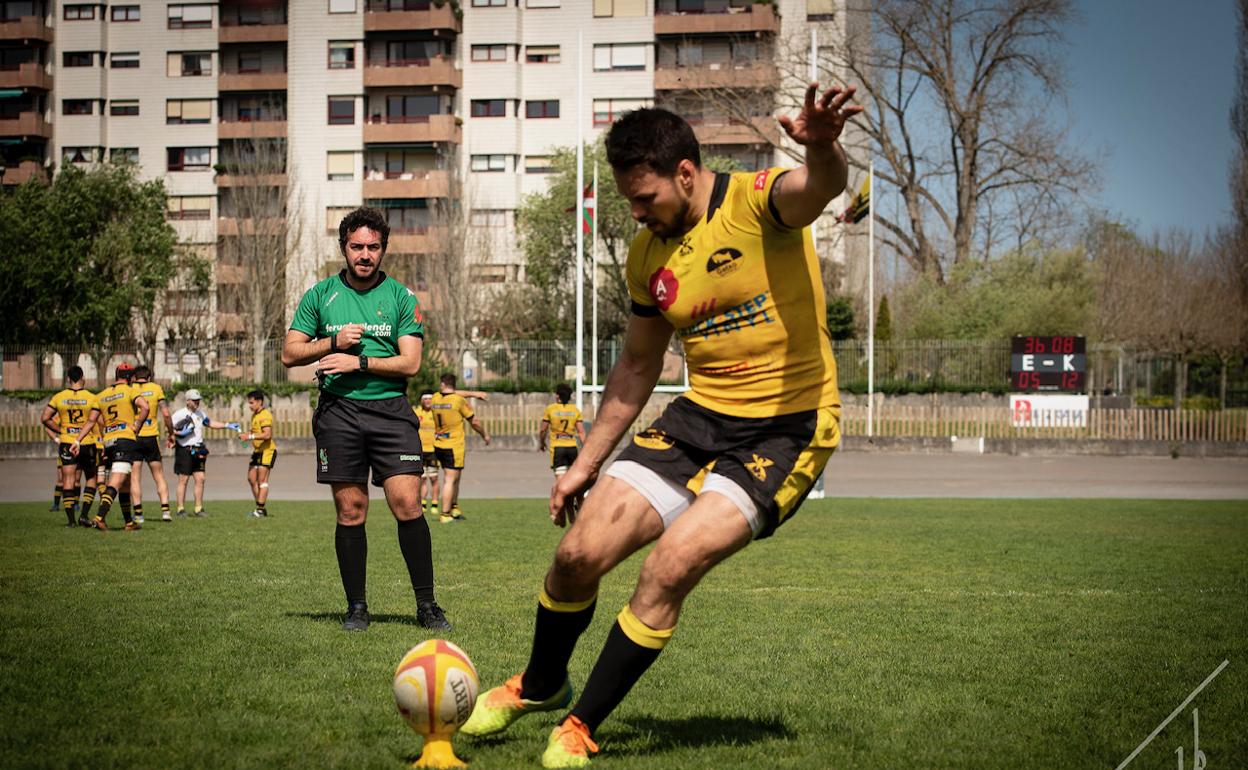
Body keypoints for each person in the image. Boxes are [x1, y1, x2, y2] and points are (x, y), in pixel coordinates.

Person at [461, 84, 861, 768]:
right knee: (576, 556)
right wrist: (583, 465)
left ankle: (581, 726)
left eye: (645, 198)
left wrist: (821, 145)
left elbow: (819, 186)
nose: (637, 213)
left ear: (685, 172)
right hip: (699, 415)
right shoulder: (649, 255)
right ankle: (539, 684)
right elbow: (638, 366)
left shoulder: (759, 202)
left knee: (670, 566)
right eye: (628, 201)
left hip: (786, 429)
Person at [281, 205, 450, 633]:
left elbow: (410, 364)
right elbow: (289, 353)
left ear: (384, 250)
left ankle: (427, 606)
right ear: (344, 248)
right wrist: (331, 342)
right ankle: (357, 607)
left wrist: (359, 363)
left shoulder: (400, 297)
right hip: (339, 413)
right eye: (357, 246)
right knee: (351, 509)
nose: (365, 254)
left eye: (373, 247)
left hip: (391, 412)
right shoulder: (320, 296)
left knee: (408, 503)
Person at [72, 364, 151, 531]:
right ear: (131, 378)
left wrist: (77, 441)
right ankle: (99, 517)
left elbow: (91, 421)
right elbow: (145, 407)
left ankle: (129, 522)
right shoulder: (130, 391)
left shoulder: (101, 395)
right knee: (116, 481)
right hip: (124, 439)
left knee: (126, 483)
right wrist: (137, 426)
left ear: (116, 376)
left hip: (108, 441)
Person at [40, 366, 98, 527]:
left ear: (68, 379)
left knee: (68, 480)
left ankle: (71, 521)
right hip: (86, 442)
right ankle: (84, 515)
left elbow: (45, 418)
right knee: (91, 478)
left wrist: (61, 430)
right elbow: (93, 420)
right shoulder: (92, 397)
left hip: (66, 442)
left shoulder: (59, 397)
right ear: (82, 377)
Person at [431, 373, 491, 523]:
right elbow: (475, 422)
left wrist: (474, 394)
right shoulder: (459, 401)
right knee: (450, 480)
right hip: (453, 446)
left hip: (438, 444)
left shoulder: (435, 398)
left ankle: (454, 508)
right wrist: (484, 435)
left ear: (442, 384)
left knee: (455, 478)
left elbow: (451, 393)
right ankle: (445, 514)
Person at [169, 389, 234, 517]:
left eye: (198, 400)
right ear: (187, 401)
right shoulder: (179, 414)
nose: (197, 402)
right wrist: (178, 434)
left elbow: (209, 423)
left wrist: (227, 425)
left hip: (198, 450)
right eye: (194, 400)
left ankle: (198, 509)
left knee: (200, 479)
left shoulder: (200, 414)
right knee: (183, 480)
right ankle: (180, 509)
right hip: (184, 450)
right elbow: (170, 429)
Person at [130, 365, 175, 522]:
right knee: (159, 475)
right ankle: (166, 511)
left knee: (135, 477)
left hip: (134, 437)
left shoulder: (130, 389)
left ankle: (138, 514)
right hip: (151, 438)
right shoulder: (156, 388)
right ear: (149, 377)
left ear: (134, 377)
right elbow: (166, 414)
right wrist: (171, 433)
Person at [241, 389, 277, 518]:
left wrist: (250, 436)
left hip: (267, 451)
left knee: (262, 481)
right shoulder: (255, 415)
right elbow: (255, 431)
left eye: (251, 403)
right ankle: (260, 506)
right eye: (249, 403)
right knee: (251, 478)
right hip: (257, 451)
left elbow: (267, 435)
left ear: (259, 402)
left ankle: (260, 510)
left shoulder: (265, 415)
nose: (249, 405)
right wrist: (246, 435)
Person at [539, 384, 587, 479]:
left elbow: (543, 430)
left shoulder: (551, 409)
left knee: (560, 480)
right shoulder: (575, 410)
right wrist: (586, 448)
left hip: (557, 448)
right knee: (572, 480)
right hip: (572, 448)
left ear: (557, 396)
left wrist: (542, 443)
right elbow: (581, 432)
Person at [414, 393, 441, 519]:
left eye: (429, 399)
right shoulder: (416, 412)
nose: (427, 401)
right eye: (425, 399)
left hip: (433, 451)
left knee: (434, 478)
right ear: (421, 400)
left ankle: (435, 504)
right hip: (420, 450)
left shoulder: (436, 413)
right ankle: (423, 503)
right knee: (422, 479)